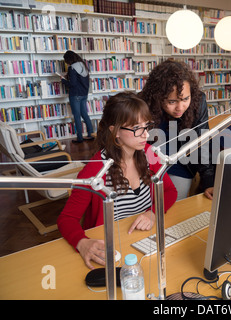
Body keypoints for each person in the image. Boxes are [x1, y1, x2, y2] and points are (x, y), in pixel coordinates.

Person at [57, 91, 178, 269]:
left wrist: (152, 212)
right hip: (113, 250)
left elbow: (170, 191)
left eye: (146, 126)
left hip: (144, 241)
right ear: (115, 131)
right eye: (136, 128)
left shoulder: (149, 153)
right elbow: (66, 219)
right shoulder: (95, 170)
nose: (145, 135)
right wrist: (82, 243)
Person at [138, 59, 214, 201]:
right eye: (172, 102)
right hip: (146, 165)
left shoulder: (198, 101)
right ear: (158, 97)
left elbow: (202, 142)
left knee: (173, 206)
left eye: (185, 99)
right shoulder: (142, 103)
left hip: (181, 165)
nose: (180, 108)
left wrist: (209, 181)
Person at [59, 50, 94, 143]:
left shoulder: (72, 68)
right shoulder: (83, 65)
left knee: (77, 116)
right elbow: (81, 80)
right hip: (84, 94)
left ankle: (80, 138)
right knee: (84, 114)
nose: (67, 63)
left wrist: (63, 80)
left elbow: (73, 84)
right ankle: (91, 134)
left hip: (75, 95)